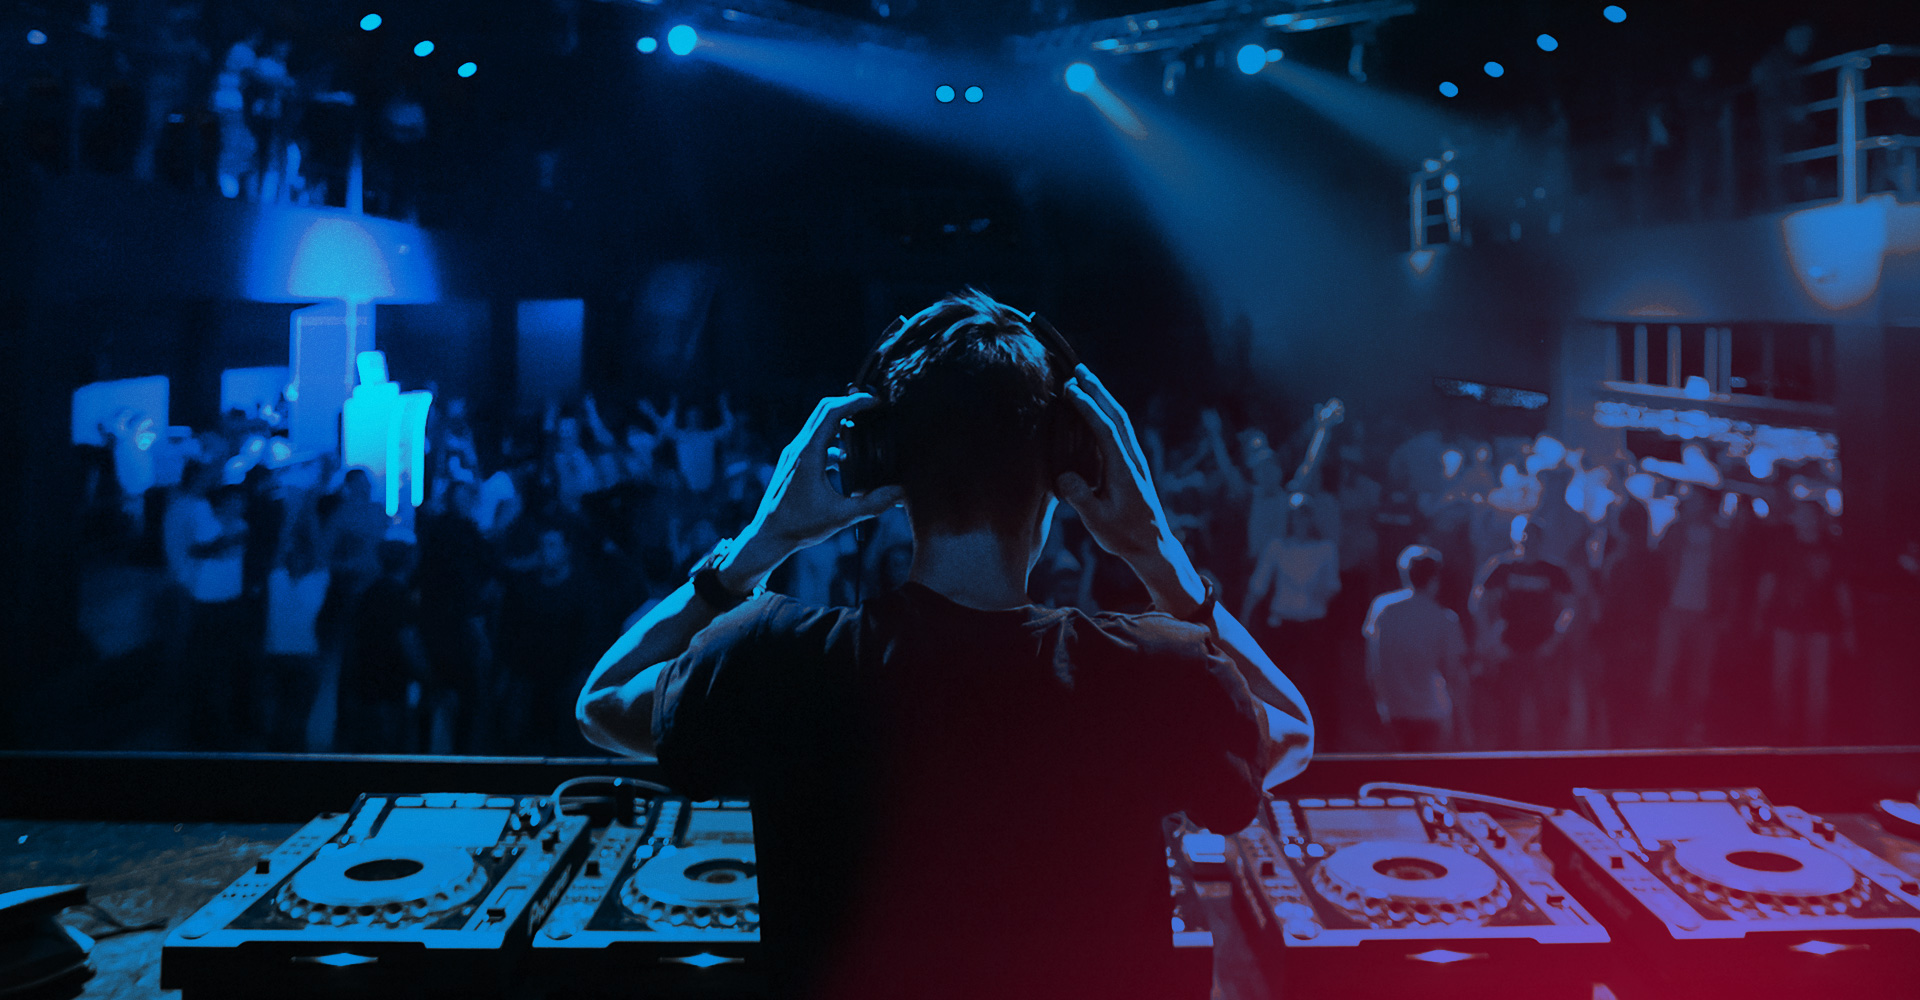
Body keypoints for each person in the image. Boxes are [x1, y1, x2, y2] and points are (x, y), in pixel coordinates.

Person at [576, 291, 1311, 1000]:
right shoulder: (1151, 672)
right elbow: (1292, 728)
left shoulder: (769, 657)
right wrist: (1158, 555)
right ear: (1065, 474)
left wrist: (760, 544)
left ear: (888, 473)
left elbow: (603, 701)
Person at [1470, 518, 1578, 748]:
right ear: (1515, 537)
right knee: (1508, 713)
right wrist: (1490, 641)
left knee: (1548, 712)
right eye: (1524, 535)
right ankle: (1508, 761)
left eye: (1533, 535)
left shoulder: (1553, 570)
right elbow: (1478, 602)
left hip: (1543, 651)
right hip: (1510, 649)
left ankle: (1548, 760)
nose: (1528, 541)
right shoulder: (1502, 567)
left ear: (1541, 539)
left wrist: (1554, 641)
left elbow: (1570, 608)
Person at [1363, 546, 1466, 752]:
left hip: (1393, 710)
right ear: (1435, 578)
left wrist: (1380, 704)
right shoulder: (1444, 619)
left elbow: (1372, 667)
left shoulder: (1382, 609)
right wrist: (1464, 726)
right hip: (1432, 711)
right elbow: (1454, 673)